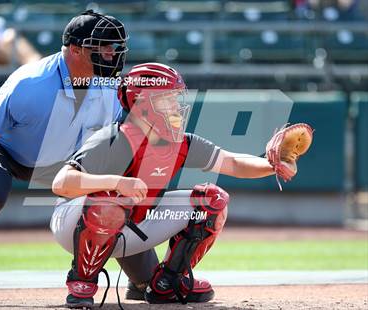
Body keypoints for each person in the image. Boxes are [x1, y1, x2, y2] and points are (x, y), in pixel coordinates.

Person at [50, 63, 308, 308]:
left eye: (175, 97)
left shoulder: (180, 142)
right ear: (140, 102)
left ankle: (167, 282)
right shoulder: (115, 138)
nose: (175, 105)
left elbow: (233, 163)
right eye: (166, 98)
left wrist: (274, 164)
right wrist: (117, 182)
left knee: (211, 200)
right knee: (111, 199)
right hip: (74, 224)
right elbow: (61, 183)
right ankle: (82, 281)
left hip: (130, 226)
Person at [0, 9, 129, 299]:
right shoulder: (31, 82)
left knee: (113, 191)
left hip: (54, 156)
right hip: (0, 146)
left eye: (113, 47)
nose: (111, 54)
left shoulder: (108, 85)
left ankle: (150, 280)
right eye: (103, 47)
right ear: (75, 50)